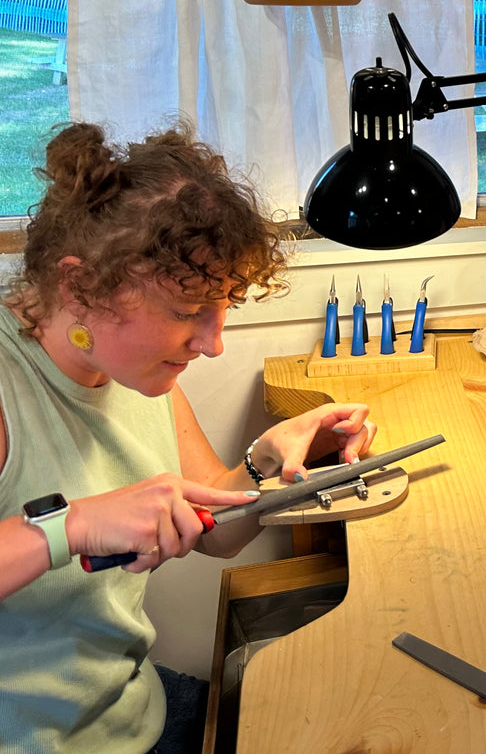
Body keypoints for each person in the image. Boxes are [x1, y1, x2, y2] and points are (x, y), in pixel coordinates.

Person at [0, 123, 377, 753]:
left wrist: (269, 461)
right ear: (80, 286)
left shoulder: (137, 372)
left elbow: (217, 530)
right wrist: (71, 527)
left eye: (222, 307)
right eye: (184, 313)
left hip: (134, 711)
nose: (213, 343)